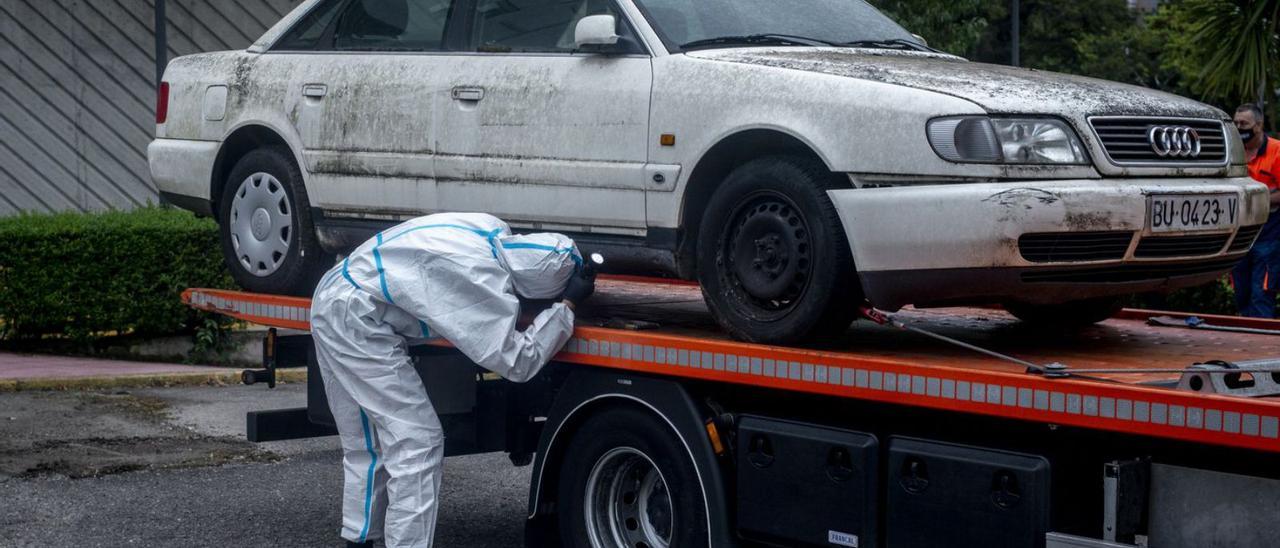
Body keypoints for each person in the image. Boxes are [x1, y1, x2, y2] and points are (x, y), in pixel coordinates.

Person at [310, 212, 596, 548]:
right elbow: (518, 361)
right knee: (418, 443)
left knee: (366, 447)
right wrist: (566, 306)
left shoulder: (487, 227)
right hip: (358, 318)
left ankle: (359, 541)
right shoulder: (482, 278)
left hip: (332, 293)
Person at [1232, 104, 1280, 318]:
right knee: (1241, 293)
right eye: (1235, 123)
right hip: (1239, 236)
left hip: (1269, 235)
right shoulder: (1234, 150)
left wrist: (1257, 200)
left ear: (1259, 126)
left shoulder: (1277, 151)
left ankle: (1263, 348)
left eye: (1244, 123)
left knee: (1261, 296)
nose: (1238, 127)